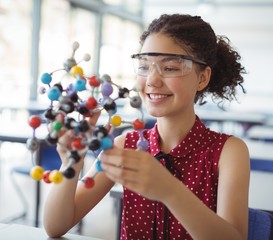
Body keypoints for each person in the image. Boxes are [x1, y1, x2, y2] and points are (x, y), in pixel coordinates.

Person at [44, 13, 250, 240]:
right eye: (144, 66)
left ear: (202, 78)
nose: (152, 80)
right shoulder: (125, 145)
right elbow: (56, 226)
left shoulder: (228, 152)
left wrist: (169, 190)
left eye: (170, 68)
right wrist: (70, 162)